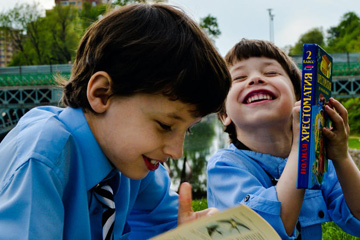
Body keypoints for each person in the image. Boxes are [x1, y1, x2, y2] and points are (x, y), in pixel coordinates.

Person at [0, 3, 231, 239]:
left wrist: (194, 231)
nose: (176, 151)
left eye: (188, 130)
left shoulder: (134, 161)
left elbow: (169, 223)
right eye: (165, 125)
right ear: (102, 94)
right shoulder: (43, 158)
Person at [207, 38, 360, 239]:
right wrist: (302, 145)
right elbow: (267, 230)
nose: (255, 79)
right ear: (224, 114)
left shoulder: (319, 162)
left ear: (301, 98)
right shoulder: (224, 167)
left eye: (271, 72)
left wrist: (341, 157)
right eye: (239, 77)